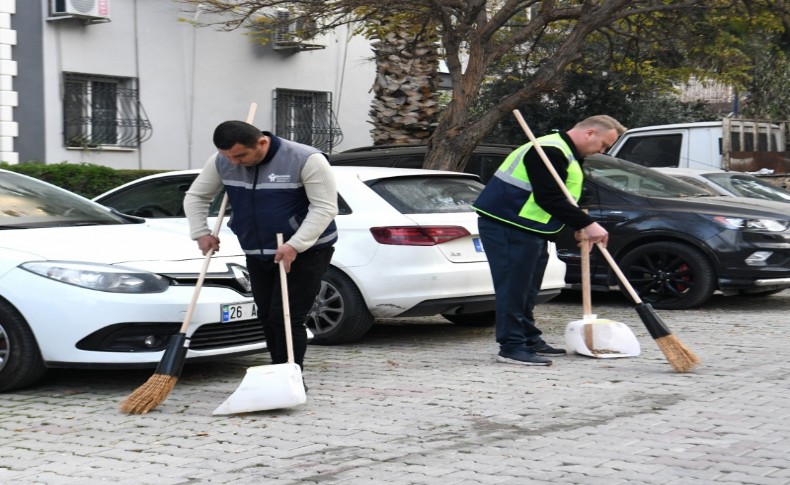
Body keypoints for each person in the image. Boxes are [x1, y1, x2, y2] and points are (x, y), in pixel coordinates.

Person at [184, 120, 338, 378]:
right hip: (257, 249)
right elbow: (196, 196)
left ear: (262, 143)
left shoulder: (305, 159)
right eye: (228, 157)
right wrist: (200, 232)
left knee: (286, 317)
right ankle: (277, 371)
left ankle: (290, 376)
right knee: (267, 315)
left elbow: (324, 208)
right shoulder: (222, 161)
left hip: (305, 252)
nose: (233, 163)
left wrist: (295, 245)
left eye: (240, 155)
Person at [473, 115, 626, 366]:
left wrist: (579, 224)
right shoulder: (548, 150)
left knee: (528, 288)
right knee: (513, 287)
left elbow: (572, 192)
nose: (602, 151)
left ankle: (528, 338)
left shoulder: (566, 153)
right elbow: (548, 197)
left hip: (530, 228)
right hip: (509, 224)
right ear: (590, 133)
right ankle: (511, 346)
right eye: (604, 144)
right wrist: (586, 224)